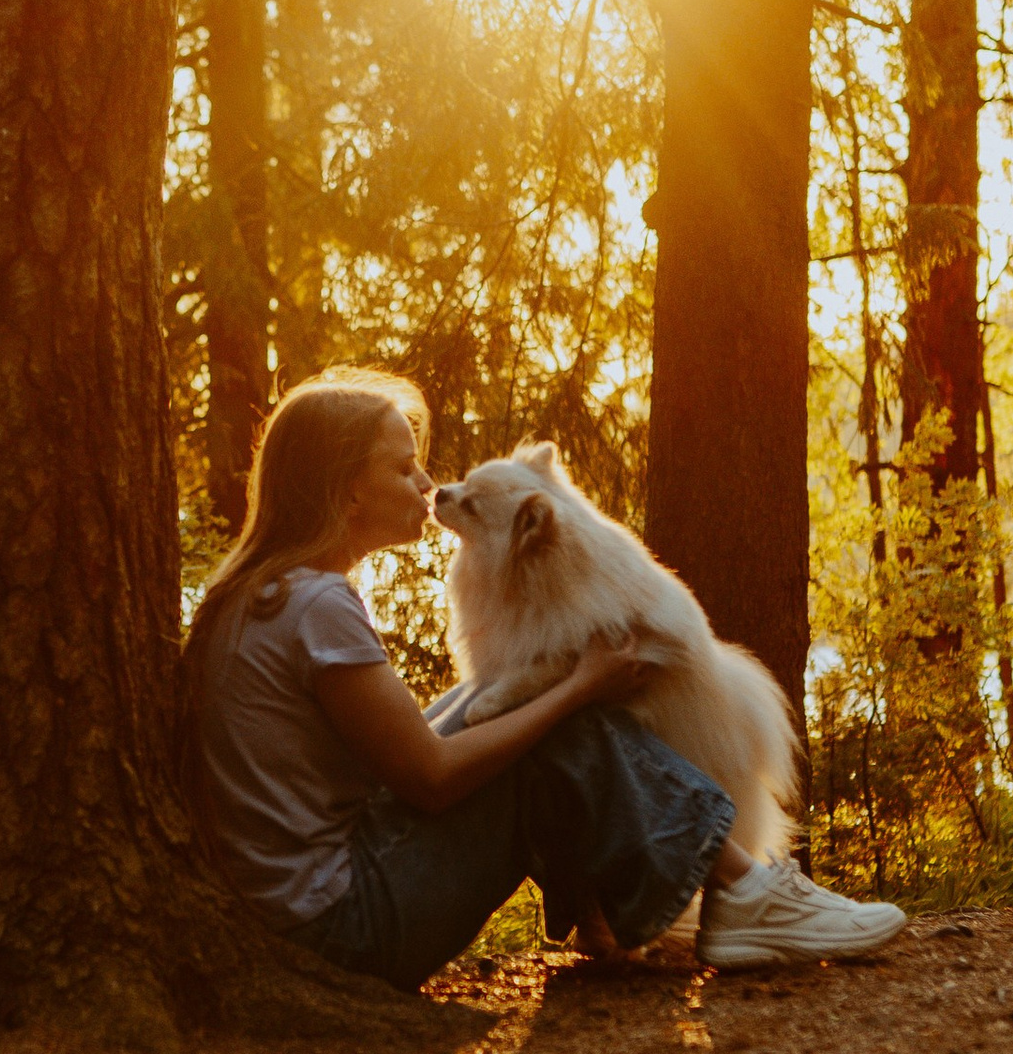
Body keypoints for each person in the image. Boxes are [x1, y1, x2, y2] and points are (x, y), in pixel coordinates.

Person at [185, 370, 906, 991]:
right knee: (560, 724)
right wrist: (579, 687)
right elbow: (429, 777)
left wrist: (542, 692)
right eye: (403, 469)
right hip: (346, 929)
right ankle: (748, 891)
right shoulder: (318, 605)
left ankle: (613, 912)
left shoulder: (260, 594)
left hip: (300, 916)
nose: (427, 484)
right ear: (345, 489)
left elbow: (400, 759)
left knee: (498, 703)